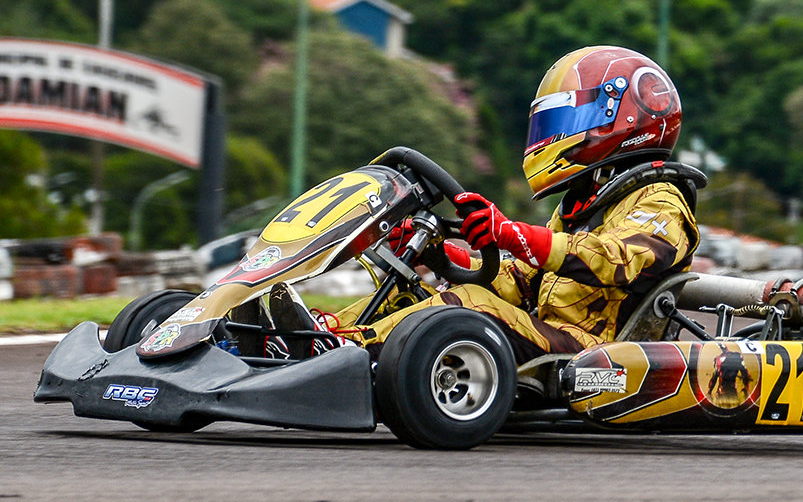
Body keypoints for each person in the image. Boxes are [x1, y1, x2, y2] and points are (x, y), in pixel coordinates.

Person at [296, 45, 702, 365]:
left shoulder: (662, 198)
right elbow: (524, 280)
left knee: (472, 308)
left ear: (620, 119)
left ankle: (342, 352)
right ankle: (310, 337)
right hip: (553, 333)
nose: (552, 135)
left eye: (566, 120)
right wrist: (442, 256)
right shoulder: (584, 203)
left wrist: (513, 234)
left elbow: (616, 261)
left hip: (598, 352)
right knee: (413, 291)